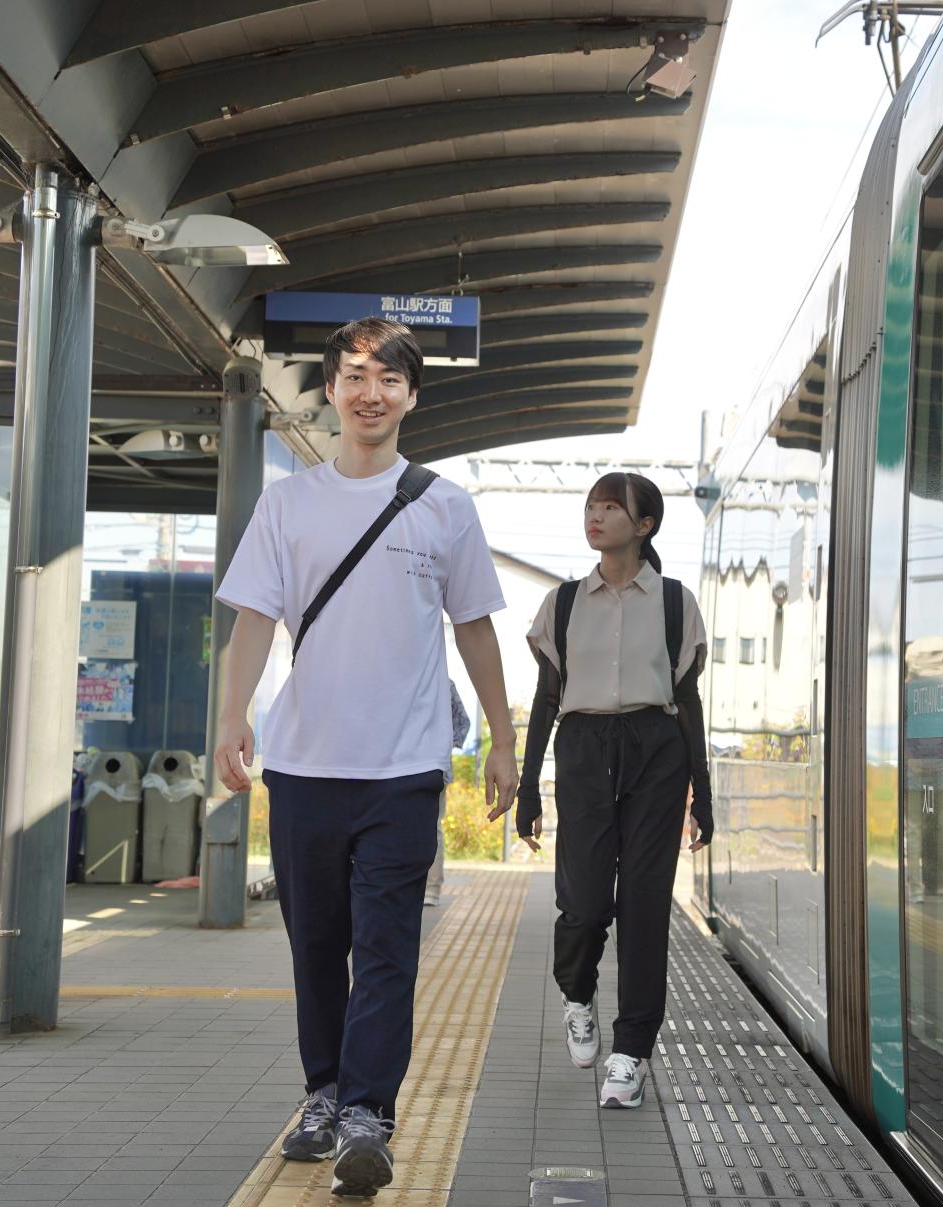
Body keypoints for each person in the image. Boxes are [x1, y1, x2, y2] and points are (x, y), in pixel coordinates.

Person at [212, 318, 515, 1197]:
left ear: (412, 396)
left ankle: (366, 1116)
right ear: (333, 391)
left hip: (404, 770)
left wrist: (503, 735)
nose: (369, 392)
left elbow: (475, 628)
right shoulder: (288, 504)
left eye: (388, 378)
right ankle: (323, 1091)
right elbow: (252, 621)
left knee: (386, 945)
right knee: (317, 943)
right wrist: (233, 714)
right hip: (304, 765)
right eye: (354, 376)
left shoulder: (445, 506)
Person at [493, 472, 712, 1110]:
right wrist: (529, 786)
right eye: (592, 506)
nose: (596, 516)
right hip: (585, 749)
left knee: (645, 907)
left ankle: (631, 1051)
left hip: (658, 752)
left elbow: (688, 699)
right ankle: (577, 994)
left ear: (643, 526)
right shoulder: (563, 603)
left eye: (611, 508)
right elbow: (546, 698)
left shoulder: (675, 602)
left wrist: (704, 791)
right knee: (585, 905)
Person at [425, 680, 473, 907]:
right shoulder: (446, 683)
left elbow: (463, 722)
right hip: (437, 766)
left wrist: (445, 744)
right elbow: (463, 722)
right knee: (433, 827)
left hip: (429, 768)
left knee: (430, 827)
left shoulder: (444, 684)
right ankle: (430, 889)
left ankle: (431, 887)